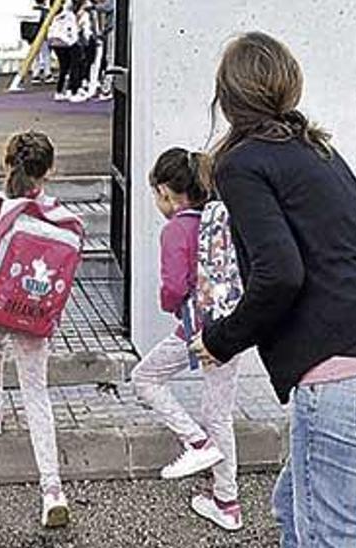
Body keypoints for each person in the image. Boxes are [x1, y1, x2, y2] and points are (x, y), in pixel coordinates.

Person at [188, 32, 356, 547]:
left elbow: (280, 273)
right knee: (292, 509)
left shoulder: (242, 163)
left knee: (328, 536)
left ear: (226, 98)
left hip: (347, 377)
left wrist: (219, 340)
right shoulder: (315, 149)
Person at [0, 131, 74, 528]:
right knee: (37, 395)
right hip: (34, 316)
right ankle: (52, 489)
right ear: (51, 171)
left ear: (7, 165)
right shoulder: (59, 216)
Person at [132, 147, 245, 533]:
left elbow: (173, 287)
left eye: (156, 195)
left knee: (145, 378)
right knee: (219, 412)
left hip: (196, 332)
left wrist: (169, 304)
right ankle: (226, 501)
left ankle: (196, 444)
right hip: (232, 325)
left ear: (166, 191)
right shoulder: (222, 216)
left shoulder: (176, 229)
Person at [47, 0, 83, 102]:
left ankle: (59, 91)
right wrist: (74, 41)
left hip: (56, 42)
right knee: (75, 66)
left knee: (64, 67)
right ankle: (73, 92)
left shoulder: (52, 15)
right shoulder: (68, 14)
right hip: (68, 42)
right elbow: (72, 29)